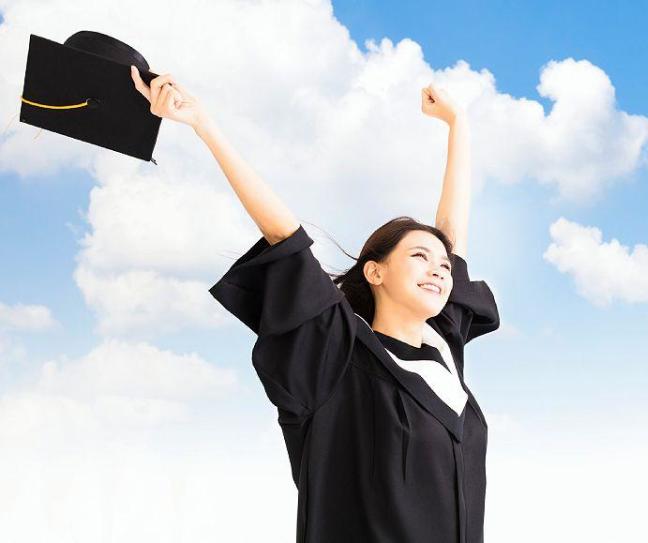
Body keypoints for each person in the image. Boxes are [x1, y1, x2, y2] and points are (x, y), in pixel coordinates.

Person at [131, 67, 500, 543]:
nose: (440, 269)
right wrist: (203, 123)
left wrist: (459, 124)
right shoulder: (340, 355)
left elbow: (451, 233)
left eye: (444, 266)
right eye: (418, 257)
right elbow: (285, 234)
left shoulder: (443, 350)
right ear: (376, 272)